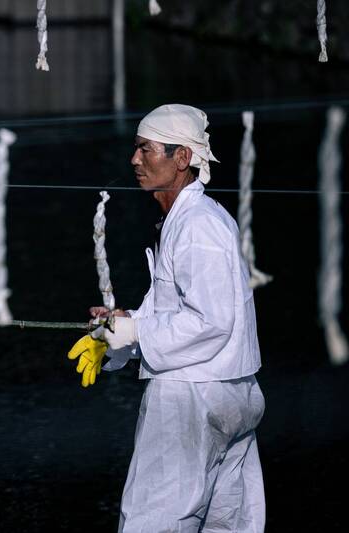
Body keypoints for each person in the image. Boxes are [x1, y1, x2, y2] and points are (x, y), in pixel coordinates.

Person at [67, 104, 266, 532]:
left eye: (146, 149)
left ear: (182, 158)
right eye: (136, 148)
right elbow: (180, 311)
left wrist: (136, 331)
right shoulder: (190, 220)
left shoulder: (198, 225)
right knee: (229, 522)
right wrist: (122, 326)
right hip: (230, 393)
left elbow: (210, 321)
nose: (134, 159)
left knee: (154, 519)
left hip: (193, 396)